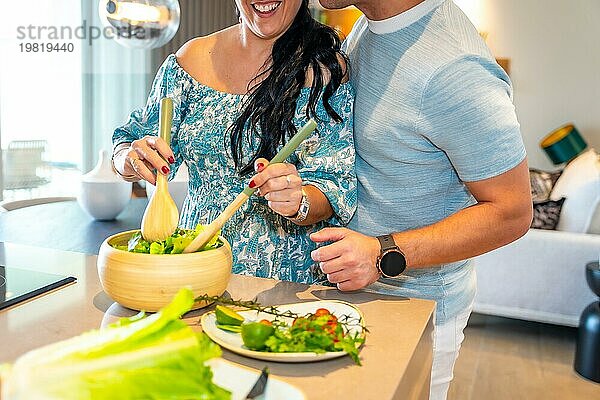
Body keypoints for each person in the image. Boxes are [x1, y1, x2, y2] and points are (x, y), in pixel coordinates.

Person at [312, 0, 532, 399]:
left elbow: (513, 212)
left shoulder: (454, 67)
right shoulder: (371, 25)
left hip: (416, 313)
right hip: (352, 300)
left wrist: (383, 252)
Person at [112, 0, 356, 284]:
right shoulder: (190, 59)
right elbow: (132, 139)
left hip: (287, 282)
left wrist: (298, 201)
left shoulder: (326, 70)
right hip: (196, 267)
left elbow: (337, 187)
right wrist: (129, 159)